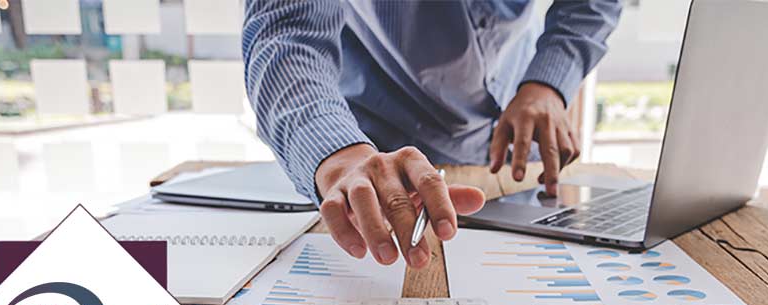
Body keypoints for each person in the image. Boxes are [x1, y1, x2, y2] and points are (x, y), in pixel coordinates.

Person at [243, 0, 622, 269]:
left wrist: (548, 82)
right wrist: (338, 156)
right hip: (379, 161)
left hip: (518, 139)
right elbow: (287, 38)